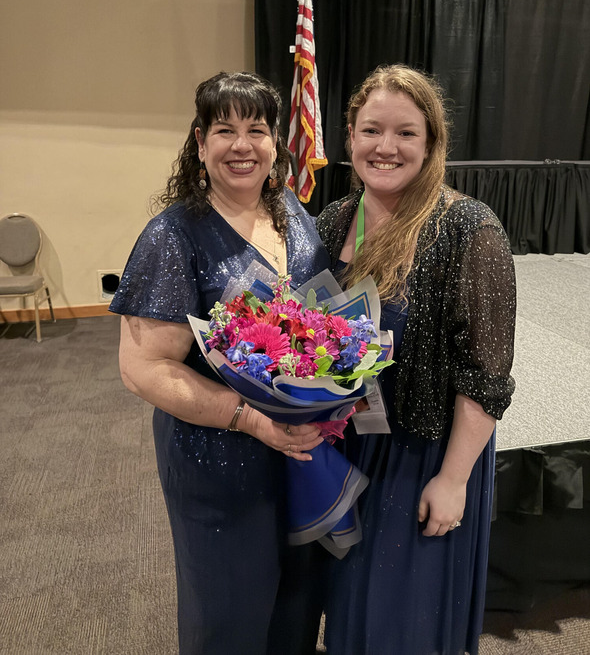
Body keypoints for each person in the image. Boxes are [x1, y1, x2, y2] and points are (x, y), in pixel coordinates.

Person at [109, 72, 331, 655]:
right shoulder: (173, 235)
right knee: (229, 614)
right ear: (200, 143)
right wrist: (253, 420)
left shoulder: (291, 213)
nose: (242, 145)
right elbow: (143, 369)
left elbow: (317, 327)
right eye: (224, 129)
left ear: (275, 141)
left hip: (300, 455)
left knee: (296, 606)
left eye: (256, 129)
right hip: (219, 463)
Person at [316, 64, 516, 655]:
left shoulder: (469, 229)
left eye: (406, 133)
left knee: (406, 623)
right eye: (371, 130)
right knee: (351, 605)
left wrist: (453, 481)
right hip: (348, 447)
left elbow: (487, 377)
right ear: (349, 136)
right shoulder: (331, 222)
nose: (386, 147)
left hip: (424, 453)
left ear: (430, 143)